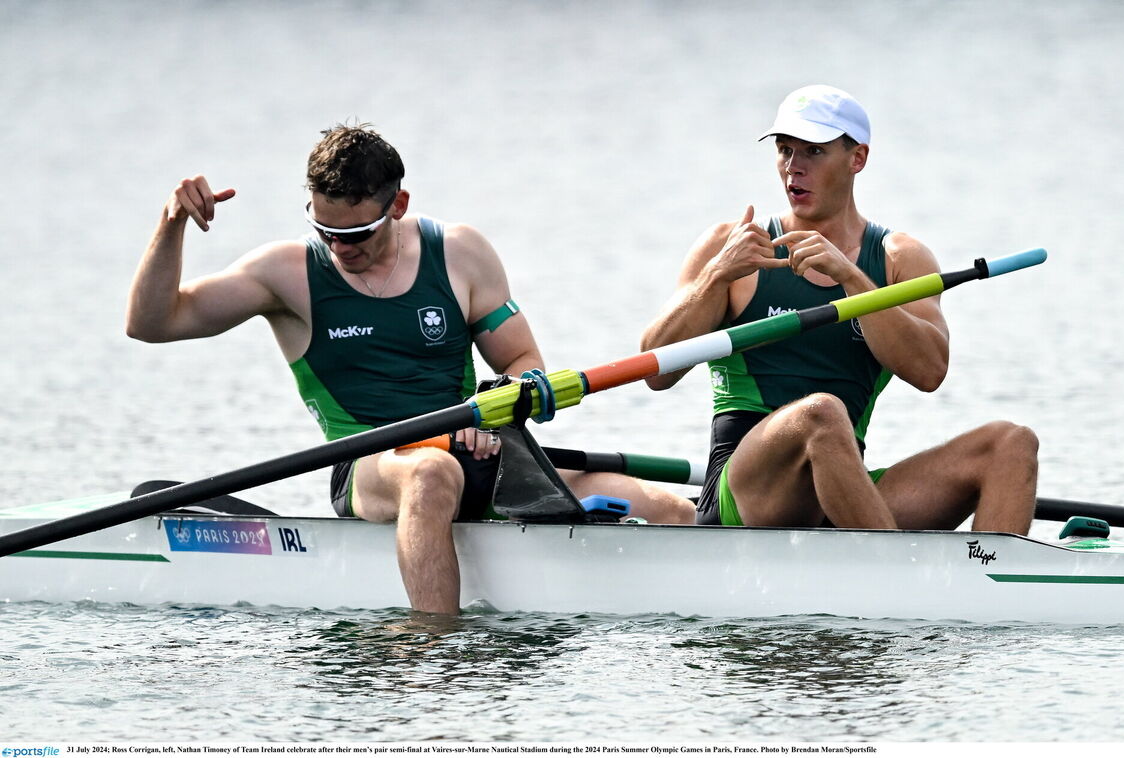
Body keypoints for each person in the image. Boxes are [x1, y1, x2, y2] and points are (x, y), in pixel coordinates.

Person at [127, 124, 693, 615]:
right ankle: (429, 650)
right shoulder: (286, 273)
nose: (339, 248)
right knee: (429, 474)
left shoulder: (460, 254)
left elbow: (522, 360)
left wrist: (503, 407)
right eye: (325, 231)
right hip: (372, 465)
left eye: (355, 234)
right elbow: (153, 322)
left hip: (481, 449)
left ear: (397, 206)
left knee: (671, 510)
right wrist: (171, 222)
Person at [640, 85, 1038, 534]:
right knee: (822, 414)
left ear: (857, 159)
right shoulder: (733, 246)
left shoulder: (898, 259)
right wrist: (716, 276)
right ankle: (895, 581)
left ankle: (992, 587)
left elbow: (929, 372)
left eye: (813, 151)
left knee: (1011, 443)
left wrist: (852, 279)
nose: (794, 168)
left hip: (843, 491)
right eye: (785, 150)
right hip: (745, 495)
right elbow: (656, 370)